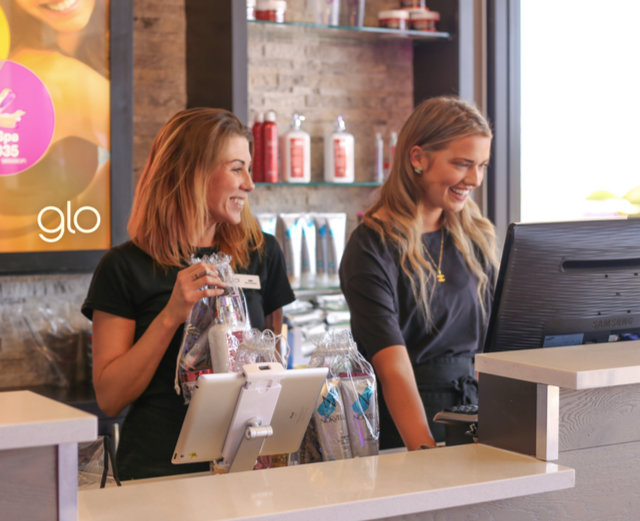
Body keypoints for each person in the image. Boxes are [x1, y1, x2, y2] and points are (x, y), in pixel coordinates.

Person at [81, 108, 295, 480]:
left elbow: (277, 366)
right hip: (159, 473)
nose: (250, 183)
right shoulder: (124, 267)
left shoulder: (263, 253)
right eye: (236, 168)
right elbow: (110, 397)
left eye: (249, 168)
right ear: (192, 173)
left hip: (249, 467)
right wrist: (172, 314)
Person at [339, 96, 498, 450]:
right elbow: (392, 366)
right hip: (406, 430)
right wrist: (423, 451)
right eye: (462, 164)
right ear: (417, 158)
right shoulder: (371, 246)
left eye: (482, 166)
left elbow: (497, 346)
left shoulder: (474, 237)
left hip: (474, 420)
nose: (474, 179)